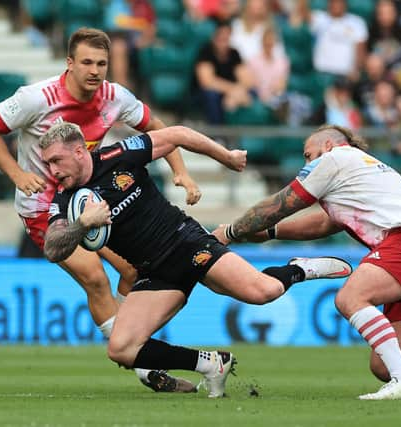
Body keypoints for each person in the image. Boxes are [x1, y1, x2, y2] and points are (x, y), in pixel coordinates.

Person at [39, 122, 352, 398]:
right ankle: (211, 364)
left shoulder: (118, 155)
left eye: (56, 161)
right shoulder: (65, 201)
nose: (53, 171)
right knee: (120, 350)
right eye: (47, 164)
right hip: (155, 272)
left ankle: (298, 268)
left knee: (263, 292)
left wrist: (225, 157)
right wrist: (83, 224)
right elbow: (53, 249)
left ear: (79, 151)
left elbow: (177, 135)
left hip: (186, 242)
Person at [0, 27, 201, 393]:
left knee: (132, 269)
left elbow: (160, 128)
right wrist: (17, 175)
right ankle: (145, 366)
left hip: (89, 202)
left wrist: (181, 172)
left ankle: (130, 344)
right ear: (69, 63)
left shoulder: (115, 97)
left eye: (102, 63)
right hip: (43, 209)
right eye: (86, 62)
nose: (95, 71)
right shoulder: (36, 98)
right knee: (96, 277)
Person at [213, 124, 401, 400]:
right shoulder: (363, 171)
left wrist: (231, 231)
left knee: (351, 297)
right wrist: (272, 233)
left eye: (308, 155)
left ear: (328, 145)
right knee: (383, 363)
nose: (307, 162)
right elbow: (324, 224)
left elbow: (283, 203)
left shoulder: (334, 158)